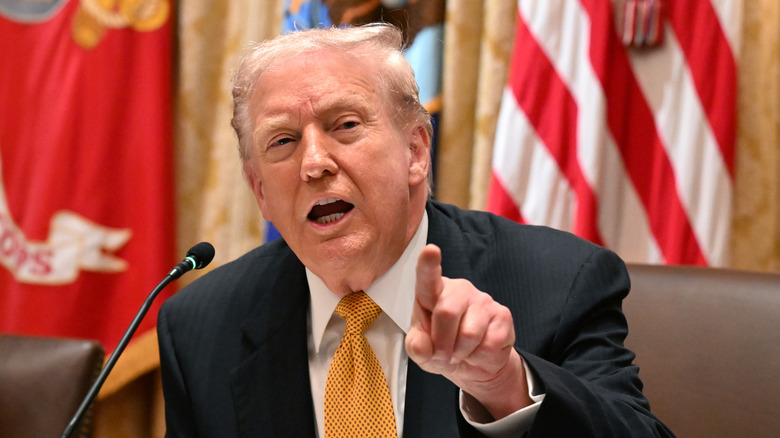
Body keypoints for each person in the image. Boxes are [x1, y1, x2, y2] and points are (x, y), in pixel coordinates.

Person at [157, 23, 674, 438]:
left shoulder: (556, 281)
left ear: (416, 151)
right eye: (283, 141)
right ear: (259, 190)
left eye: (346, 125)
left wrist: (506, 385)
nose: (314, 163)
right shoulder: (200, 328)